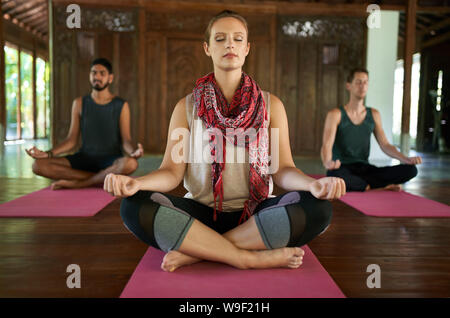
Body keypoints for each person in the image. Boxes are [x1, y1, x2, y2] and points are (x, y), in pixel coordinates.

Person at [104, 11, 345, 272]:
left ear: (247, 48)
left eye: (237, 39)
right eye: (220, 39)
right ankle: (247, 257)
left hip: (256, 214)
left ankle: (199, 252)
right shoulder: (185, 107)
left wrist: (315, 184)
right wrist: (135, 183)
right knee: (133, 206)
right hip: (200, 214)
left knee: (319, 209)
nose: (229, 44)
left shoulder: (271, 105)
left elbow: (283, 170)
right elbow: (171, 173)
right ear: (207, 48)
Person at [26, 58, 143, 190]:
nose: (97, 76)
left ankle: (81, 183)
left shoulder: (121, 105)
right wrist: (48, 154)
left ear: (110, 78)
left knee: (131, 164)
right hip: (84, 158)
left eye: (102, 73)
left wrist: (134, 151)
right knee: (38, 166)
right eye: (94, 73)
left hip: (111, 160)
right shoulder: (79, 103)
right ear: (90, 75)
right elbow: (71, 140)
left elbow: (126, 139)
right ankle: (100, 178)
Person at [321, 68, 421, 192]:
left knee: (411, 170)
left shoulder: (373, 114)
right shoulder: (336, 114)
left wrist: (406, 159)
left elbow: (385, 145)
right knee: (334, 175)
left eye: (365, 82)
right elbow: (326, 145)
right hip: (342, 168)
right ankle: (378, 186)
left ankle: (366, 186)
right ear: (348, 85)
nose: (362, 86)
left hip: (365, 169)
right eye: (358, 82)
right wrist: (328, 162)